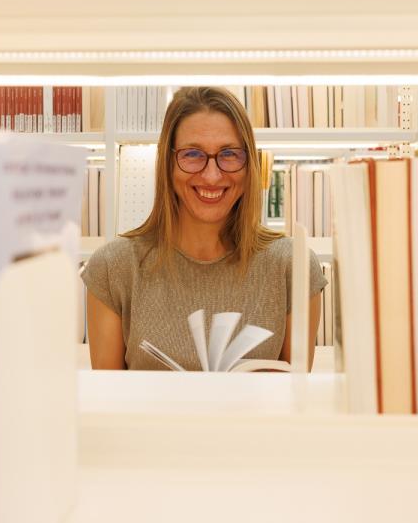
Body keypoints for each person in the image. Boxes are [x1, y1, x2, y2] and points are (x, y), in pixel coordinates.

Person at [82, 86, 327, 371]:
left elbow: (294, 399)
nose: (212, 175)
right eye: (193, 154)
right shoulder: (114, 268)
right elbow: (109, 404)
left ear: (249, 166)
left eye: (230, 154)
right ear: (168, 163)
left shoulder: (292, 266)